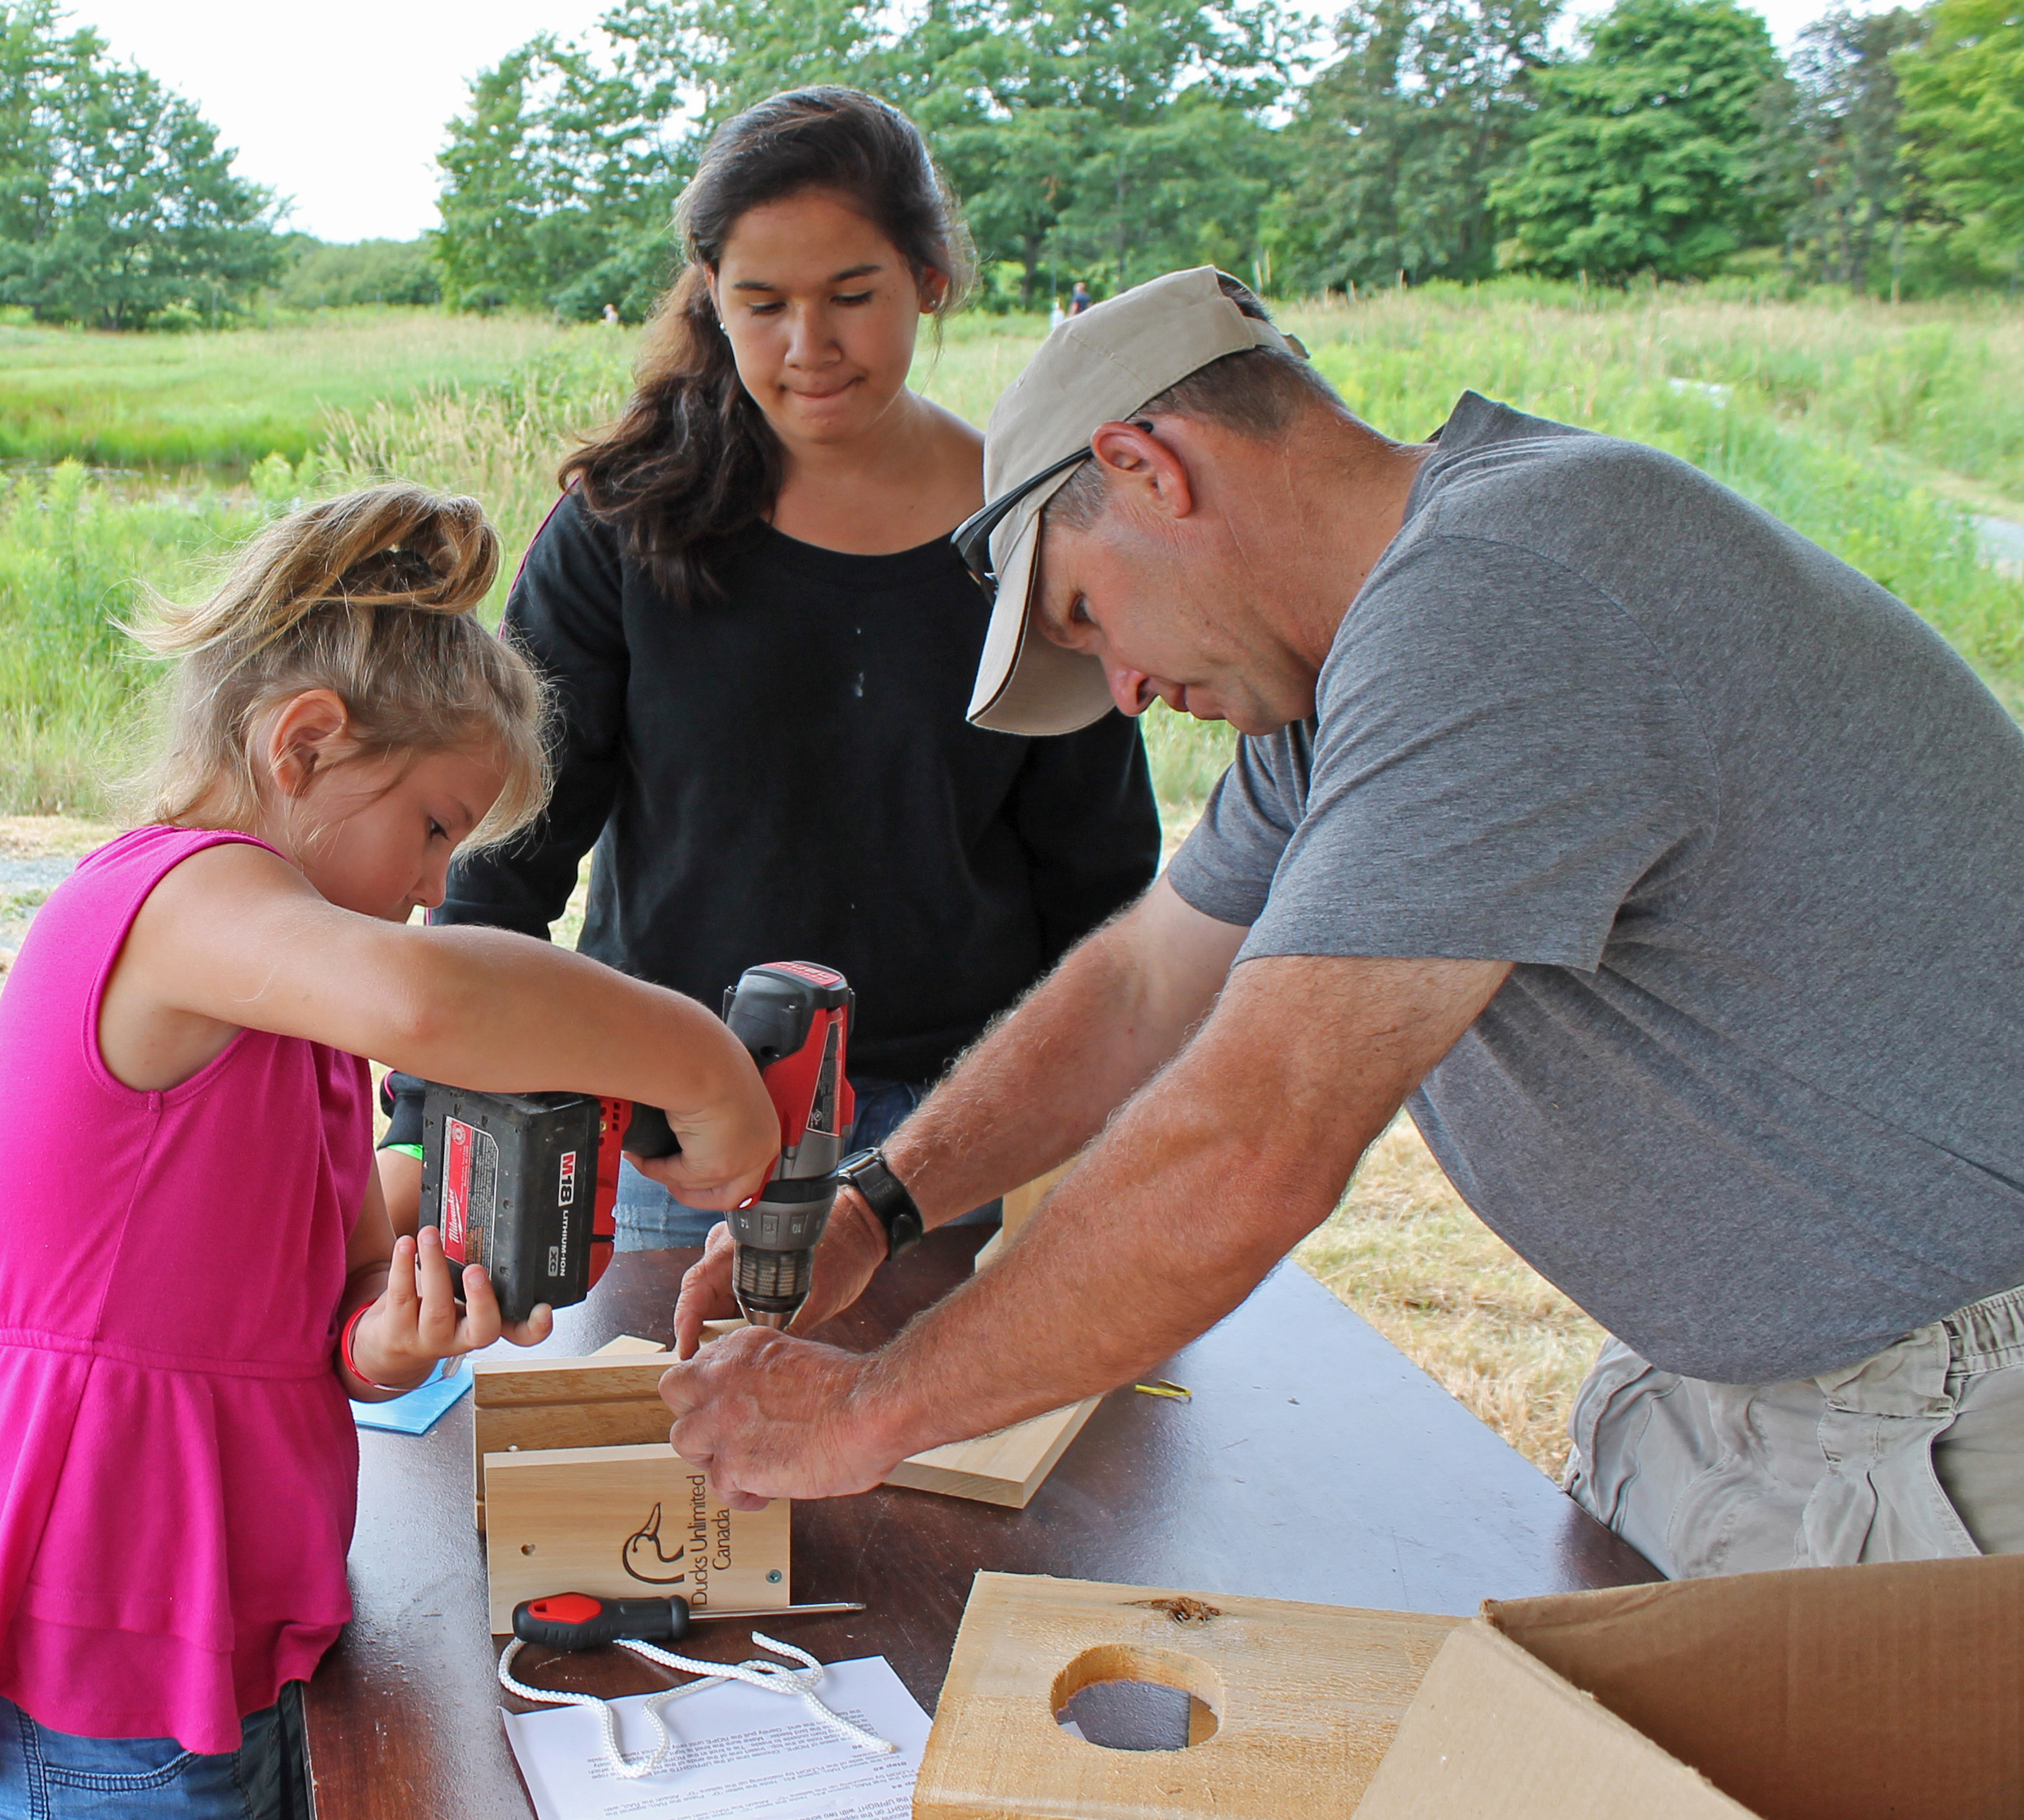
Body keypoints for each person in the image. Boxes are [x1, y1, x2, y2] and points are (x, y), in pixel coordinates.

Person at [661, 266, 2024, 1579]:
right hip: (1770, 1400)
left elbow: (1253, 1143)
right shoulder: (1342, 675)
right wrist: (879, 1202)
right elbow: (1142, 988)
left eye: (1086, 614)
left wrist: (866, 1414)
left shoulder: (1500, 598)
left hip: (1955, 1409)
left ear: (1147, 466)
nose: (1125, 689)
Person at [0, 485, 780, 1820]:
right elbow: (429, 998)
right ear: (306, 743)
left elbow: (326, 1301)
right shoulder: (172, 901)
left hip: (234, 1623)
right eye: (434, 828)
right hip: (97, 1638)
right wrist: (700, 1061)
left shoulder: (290, 1017)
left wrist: (390, 1335)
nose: (437, 886)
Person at [377, 87, 1158, 1257]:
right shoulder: (622, 526)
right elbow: (508, 847)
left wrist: (1094, 1127)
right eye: (763, 304)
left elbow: (1098, 879)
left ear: (930, 279)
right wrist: (428, 1124)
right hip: (679, 1130)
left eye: (852, 296)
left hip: (965, 1129)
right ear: (712, 294)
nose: (809, 347)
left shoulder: (1033, 532)